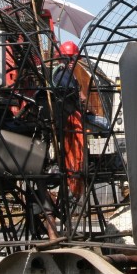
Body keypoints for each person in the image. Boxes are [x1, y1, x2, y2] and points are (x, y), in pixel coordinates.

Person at [52, 41, 86, 197]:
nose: (72, 62)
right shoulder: (60, 74)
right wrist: (78, 95)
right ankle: (74, 179)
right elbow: (68, 91)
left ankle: (77, 177)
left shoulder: (69, 74)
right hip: (68, 118)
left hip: (73, 115)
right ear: (61, 59)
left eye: (74, 58)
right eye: (69, 58)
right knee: (73, 150)